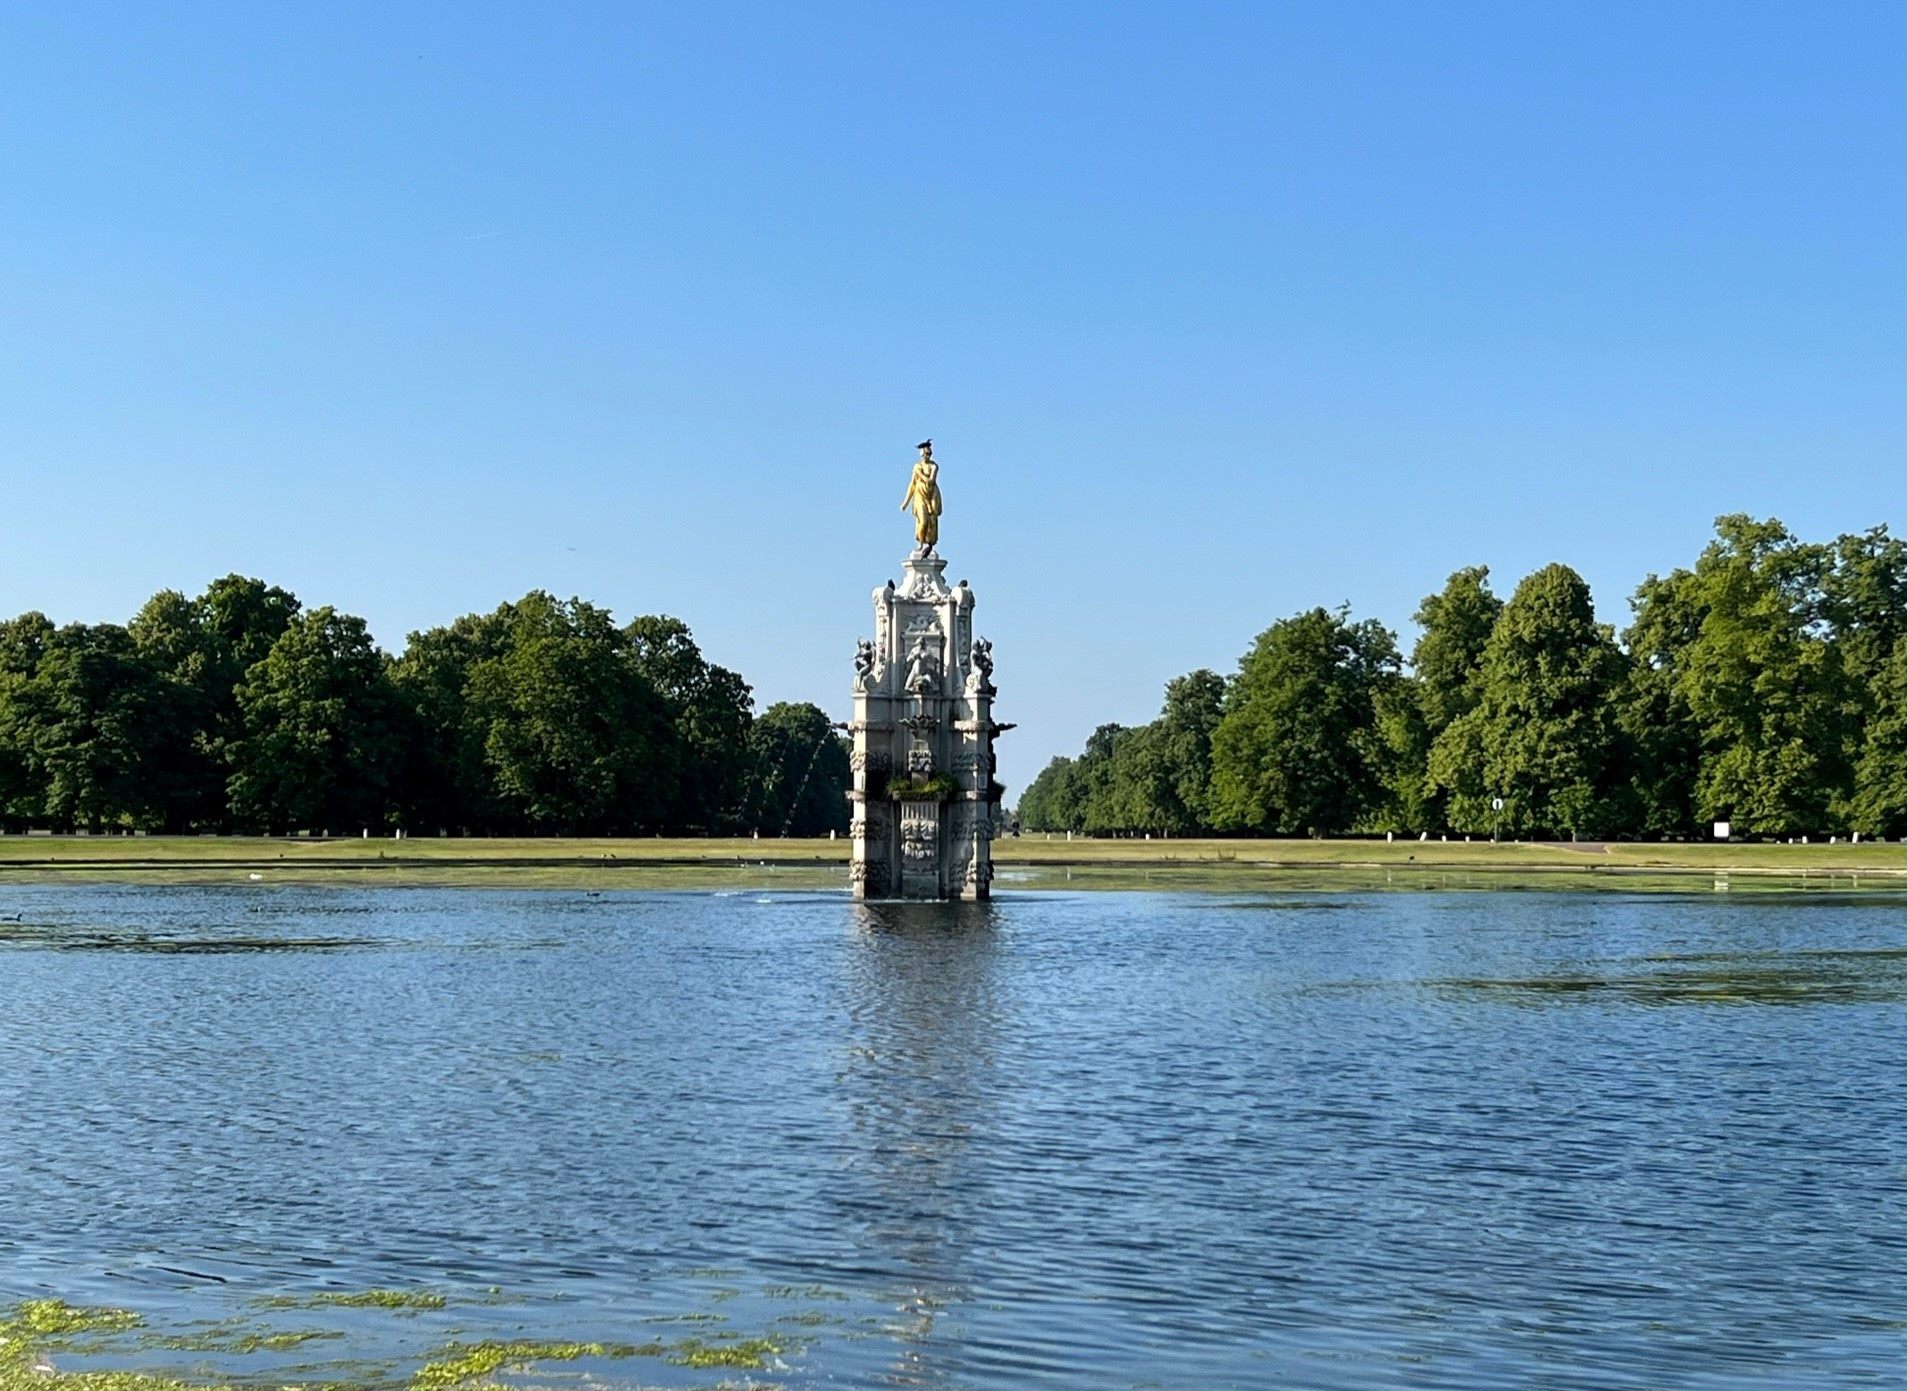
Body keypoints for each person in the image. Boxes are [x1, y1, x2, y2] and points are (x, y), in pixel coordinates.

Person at [900, 439, 942, 549]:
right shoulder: (917, 466)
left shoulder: (934, 466)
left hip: (932, 495)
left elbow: (931, 481)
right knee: (923, 521)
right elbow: (912, 485)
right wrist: (906, 502)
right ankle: (920, 542)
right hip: (920, 495)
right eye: (926, 453)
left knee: (932, 521)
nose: (927, 456)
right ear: (922, 454)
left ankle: (929, 544)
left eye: (929, 453)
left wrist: (919, 473)